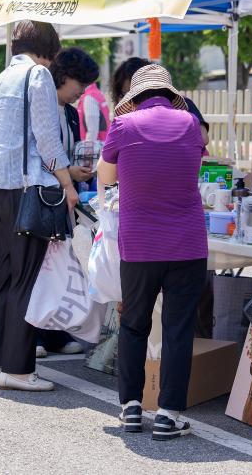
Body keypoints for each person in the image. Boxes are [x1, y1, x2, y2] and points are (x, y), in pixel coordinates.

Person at [98, 64, 207, 441]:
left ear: (134, 98)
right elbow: (196, 163)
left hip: (140, 244)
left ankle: (130, 407)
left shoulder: (123, 126)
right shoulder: (191, 123)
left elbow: (106, 177)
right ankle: (167, 414)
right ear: (169, 93)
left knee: (134, 323)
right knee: (178, 329)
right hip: (187, 243)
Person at [0, 20, 77, 392]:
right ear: (50, 49)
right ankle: (18, 370)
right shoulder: (38, 77)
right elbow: (48, 138)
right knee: (26, 278)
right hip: (26, 186)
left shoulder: (1, 79)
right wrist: (67, 184)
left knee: (6, 273)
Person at [33, 46, 100, 359]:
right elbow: (41, 152)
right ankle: (35, 333)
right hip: (43, 197)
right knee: (39, 269)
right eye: (80, 84)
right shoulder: (43, 104)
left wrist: (78, 171)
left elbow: (68, 153)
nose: (81, 92)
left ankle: (56, 332)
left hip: (66, 197)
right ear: (64, 76)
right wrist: (68, 173)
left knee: (62, 267)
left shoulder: (72, 114)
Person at [110, 56, 210, 145]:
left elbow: (203, 138)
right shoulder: (121, 121)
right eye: (125, 95)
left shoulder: (185, 105)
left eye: (136, 94)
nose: (130, 101)